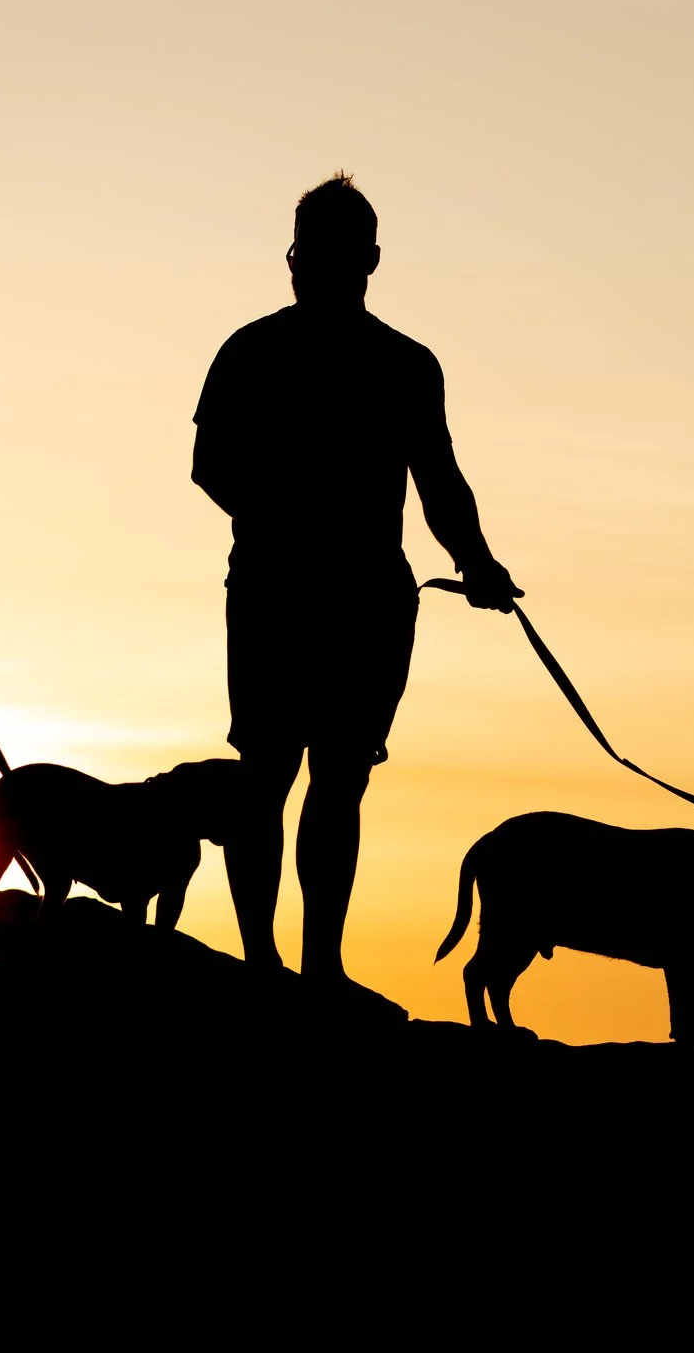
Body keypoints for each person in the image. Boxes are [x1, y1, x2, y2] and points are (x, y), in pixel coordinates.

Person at [193, 174, 519, 993]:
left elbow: (440, 483)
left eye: (331, 252)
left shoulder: (399, 366)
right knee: (283, 776)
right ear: (297, 257)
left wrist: (476, 560)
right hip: (292, 590)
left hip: (351, 598)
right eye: (313, 251)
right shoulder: (267, 351)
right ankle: (276, 962)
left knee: (327, 778)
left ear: (365, 259)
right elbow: (212, 467)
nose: (319, 266)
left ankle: (306, 964)